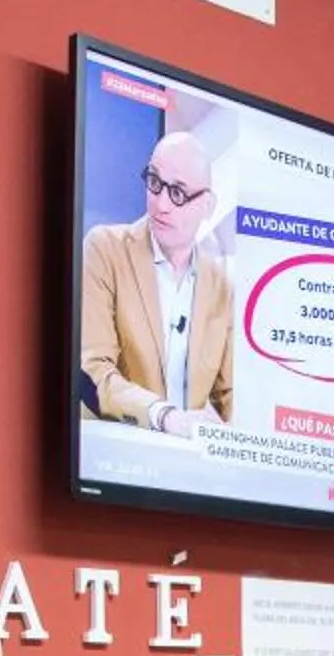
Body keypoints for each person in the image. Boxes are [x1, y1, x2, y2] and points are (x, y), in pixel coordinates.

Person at [79, 130, 234, 433]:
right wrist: (164, 416)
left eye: (177, 192)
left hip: (186, 471)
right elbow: (92, 370)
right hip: (113, 455)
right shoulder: (105, 249)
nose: (161, 204)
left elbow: (233, 400)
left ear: (207, 206)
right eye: (154, 182)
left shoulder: (222, 285)